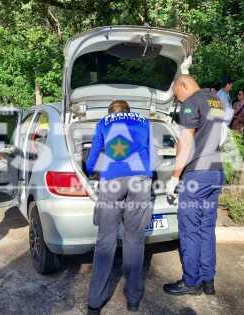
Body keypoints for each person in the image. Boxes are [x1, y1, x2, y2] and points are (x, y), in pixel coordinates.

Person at [85, 100, 153, 314]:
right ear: (128, 111)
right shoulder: (144, 121)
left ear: (110, 112)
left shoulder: (104, 122)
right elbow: (152, 151)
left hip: (112, 180)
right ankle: (133, 299)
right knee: (135, 240)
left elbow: (95, 151)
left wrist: (88, 170)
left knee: (106, 240)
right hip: (140, 179)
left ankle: (95, 303)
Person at [163, 75, 228, 297]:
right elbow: (222, 137)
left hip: (197, 176)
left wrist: (174, 177)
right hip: (216, 172)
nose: (178, 100)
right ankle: (208, 280)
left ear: (184, 85)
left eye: (176, 95)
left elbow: (186, 141)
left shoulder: (191, 102)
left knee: (190, 229)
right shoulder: (216, 100)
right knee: (207, 229)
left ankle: (191, 282)